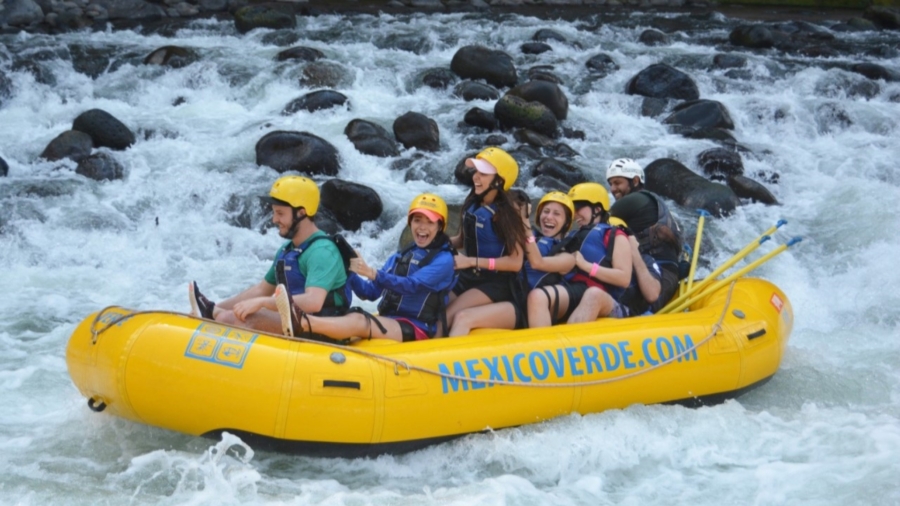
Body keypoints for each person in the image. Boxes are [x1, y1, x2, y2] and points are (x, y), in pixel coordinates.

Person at [274, 193, 457, 342]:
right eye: (417, 220)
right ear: (410, 223)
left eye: (430, 222)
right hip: (390, 320)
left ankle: (301, 322)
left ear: (440, 226)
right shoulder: (400, 257)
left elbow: (411, 285)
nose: (422, 227)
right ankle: (299, 322)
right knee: (350, 316)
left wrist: (371, 272)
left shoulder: (444, 260)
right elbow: (369, 293)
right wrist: (348, 271)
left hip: (417, 327)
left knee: (359, 320)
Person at [188, 176, 348, 334]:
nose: (274, 219)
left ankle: (215, 314)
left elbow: (313, 302)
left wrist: (264, 303)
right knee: (226, 315)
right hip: (293, 322)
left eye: (280, 213)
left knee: (231, 320)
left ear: (301, 213)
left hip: (321, 329)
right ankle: (212, 311)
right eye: (274, 213)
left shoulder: (322, 251)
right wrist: (217, 307)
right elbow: (261, 290)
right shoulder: (288, 249)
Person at [449, 191, 576, 335]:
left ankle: (447, 357)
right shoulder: (527, 236)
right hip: (502, 293)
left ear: (566, 223)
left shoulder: (567, 257)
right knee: (446, 308)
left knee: (463, 318)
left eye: (557, 214)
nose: (549, 217)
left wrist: (523, 222)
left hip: (522, 307)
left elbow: (537, 262)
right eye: (546, 211)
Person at [445, 147, 528, 336]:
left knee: (449, 315)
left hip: (498, 283)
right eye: (476, 171)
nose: (476, 177)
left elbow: (515, 263)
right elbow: (461, 240)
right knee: (433, 306)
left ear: (499, 180)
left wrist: (470, 261)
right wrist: (430, 246)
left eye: (483, 174)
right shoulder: (473, 202)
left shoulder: (507, 213)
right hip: (470, 275)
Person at [535, 182, 632, 325]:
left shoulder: (615, 235)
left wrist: (586, 266)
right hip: (574, 291)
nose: (575, 214)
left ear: (597, 209)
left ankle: (569, 345)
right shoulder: (572, 235)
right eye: (572, 210)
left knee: (593, 294)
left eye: (579, 208)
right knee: (538, 295)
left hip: (610, 302)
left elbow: (624, 278)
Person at [606, 158, 683, 313]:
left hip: (657, 276)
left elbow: (595, 223)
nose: (613, 189)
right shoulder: (652, 200)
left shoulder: (635, 200)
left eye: (617, 182)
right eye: (611, 184)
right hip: (663, 272)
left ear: (635, 181)